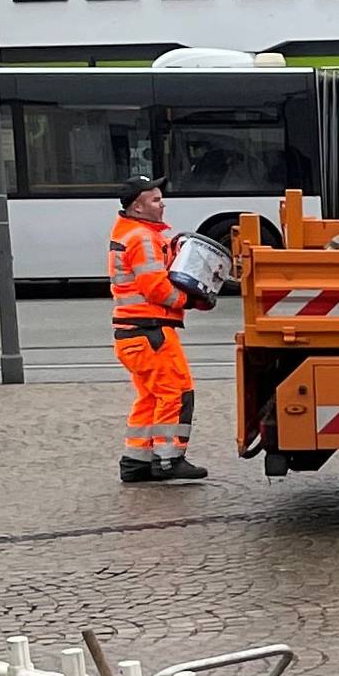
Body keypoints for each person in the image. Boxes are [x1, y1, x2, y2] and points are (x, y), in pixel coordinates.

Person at [109, 176, 211, 483]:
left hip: (132, 333)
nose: (162, 203)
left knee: (150, 397)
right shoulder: (142, 238)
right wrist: (190, 301)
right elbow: (157, 289)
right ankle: (169, 460)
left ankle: (136, 462)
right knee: (177, 392)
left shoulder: (130, 232)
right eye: (155, 200)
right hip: (150, 330)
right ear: (138, 206)